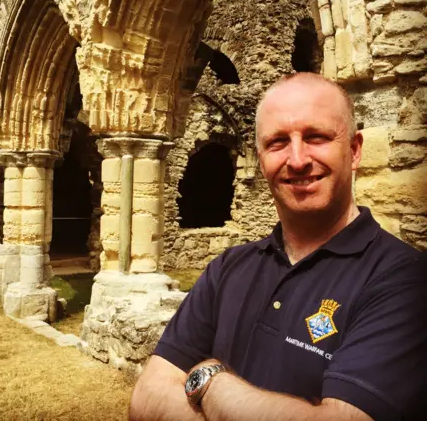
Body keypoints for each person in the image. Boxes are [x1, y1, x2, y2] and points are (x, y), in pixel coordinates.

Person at [129, 73, 427, 420]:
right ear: (260, 158)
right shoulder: (228, 268)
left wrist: (211, 382)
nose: (298, 159)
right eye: (278, 142)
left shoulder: (405, 281)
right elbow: (146, 398)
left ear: (355, 150)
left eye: (316, 137)